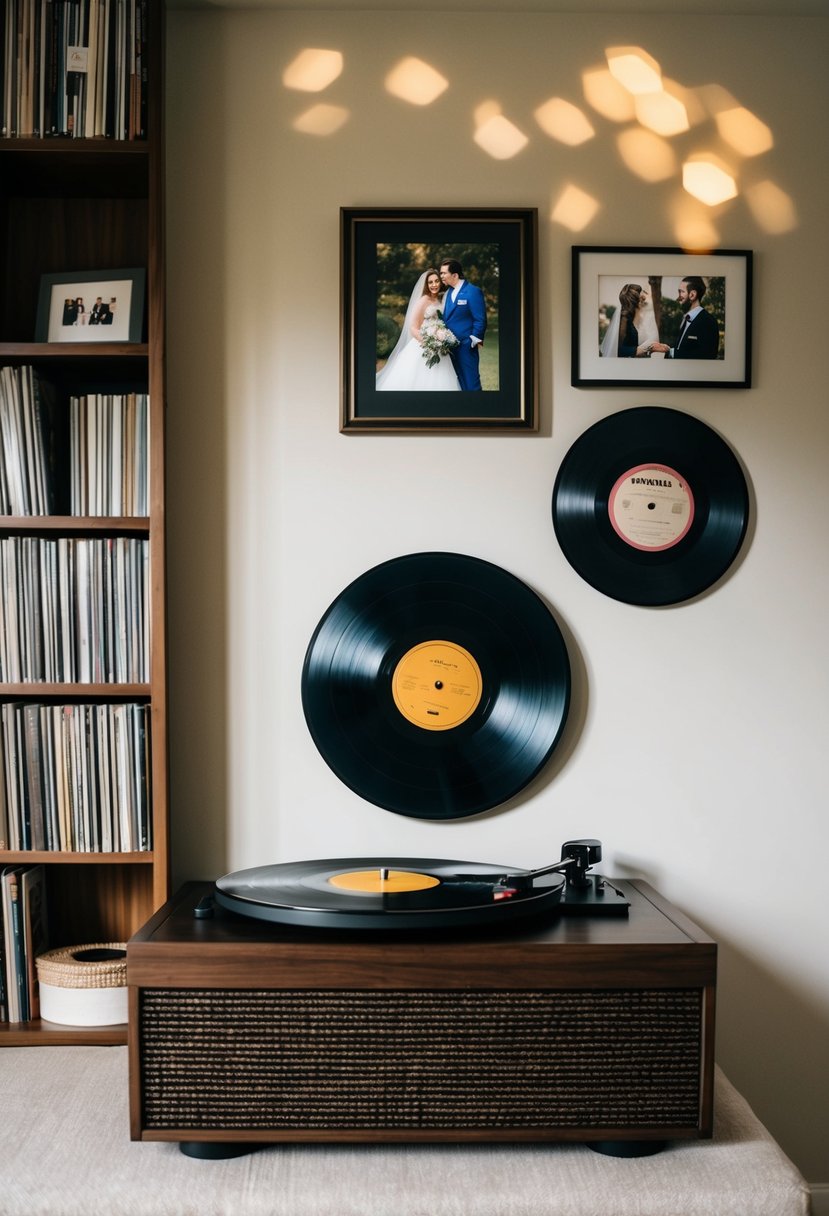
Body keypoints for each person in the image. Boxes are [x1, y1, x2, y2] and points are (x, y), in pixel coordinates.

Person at [376, 269, 460, 392]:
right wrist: (428, 342)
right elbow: (413, 327)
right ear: (426, 285)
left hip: (439, 345)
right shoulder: (423, 301)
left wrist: (441, 337)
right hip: (423, 344)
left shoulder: (440, 300)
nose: (434, 285)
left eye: (436, 281)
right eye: (430, 282)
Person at [439, 259, 487, 390]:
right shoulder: (448, 293)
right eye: (440, 273)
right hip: (449, 347)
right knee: (458, 382)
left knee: (472, 383)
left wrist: (473, 341)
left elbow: (480, 319)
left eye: (444, 273)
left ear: (455, 275)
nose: (441, 276)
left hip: (466, 346)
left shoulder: (473, 291)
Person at [651, 276, 720, 359]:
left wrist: (670, 352)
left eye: (681, 292)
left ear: (692, 295)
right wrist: (666, 349)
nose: (678, 297)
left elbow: (707, 356)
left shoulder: (708, 321)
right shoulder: (686, 319)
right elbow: (684, 349)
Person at [600, 283, 658, 357]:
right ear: (635, 301)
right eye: (641, 299)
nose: (643, 301)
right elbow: (619, 350)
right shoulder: (624, 319)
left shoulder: (630, 318)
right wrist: (649, 348)